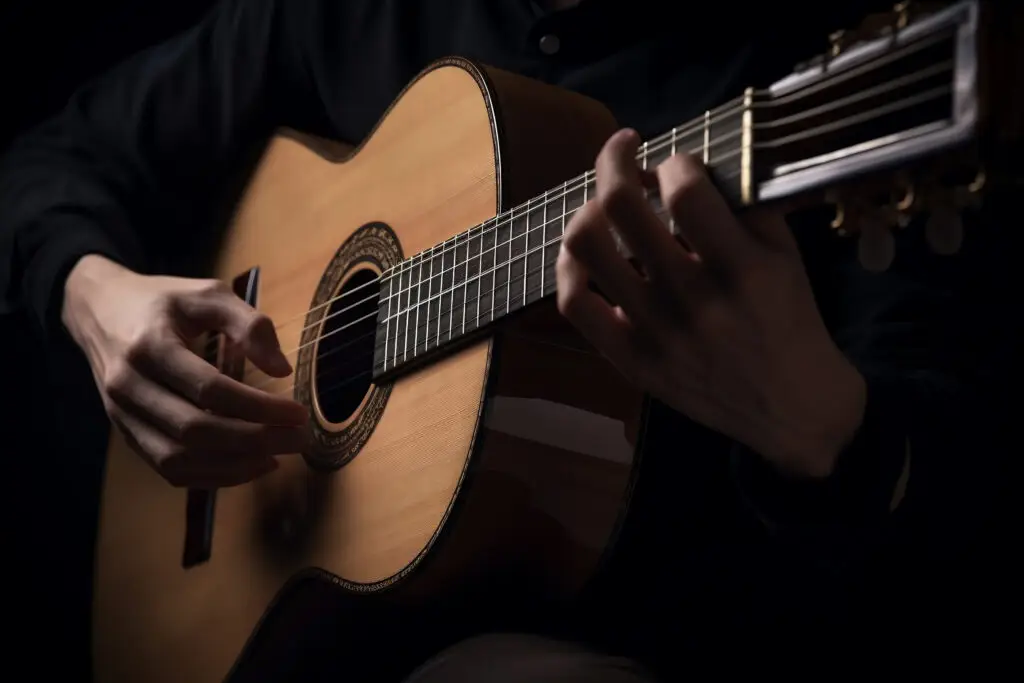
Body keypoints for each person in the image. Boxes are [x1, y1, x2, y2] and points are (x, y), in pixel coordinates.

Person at [0, 0, 1009, 679]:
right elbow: (51, 160)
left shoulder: (787, 41)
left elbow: (951, 530)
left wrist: (823, 436)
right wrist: (98, 301)